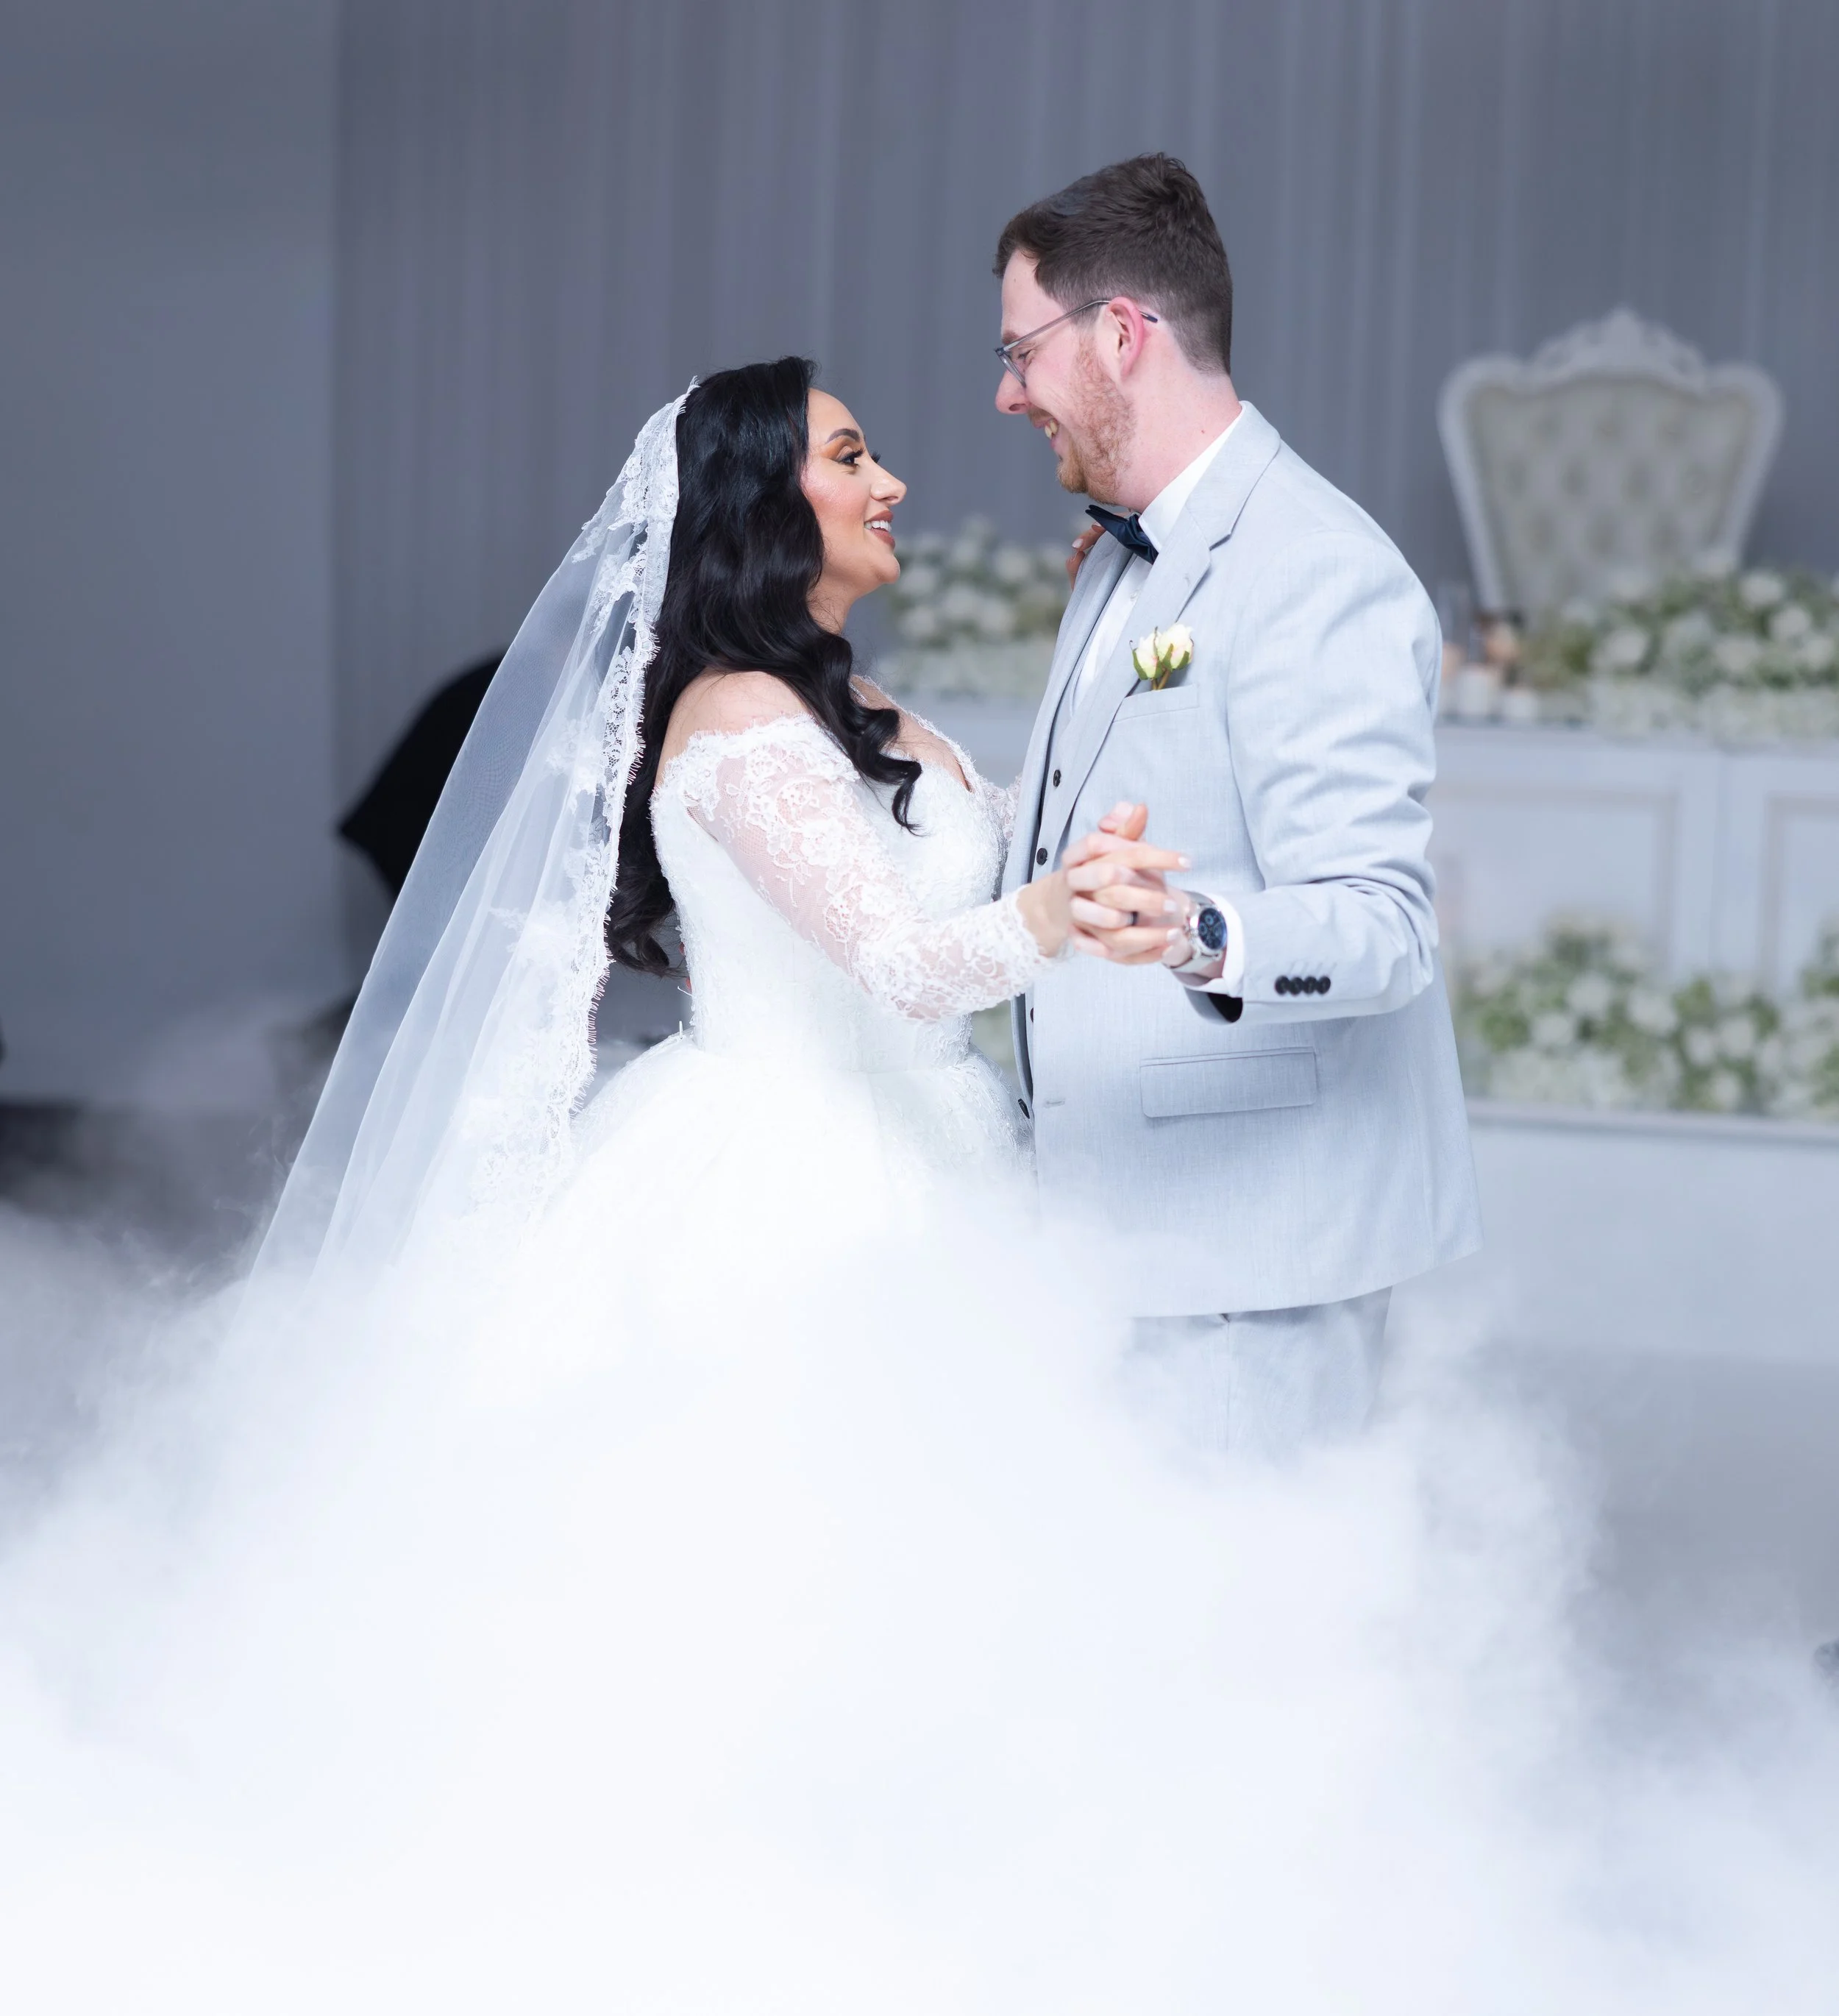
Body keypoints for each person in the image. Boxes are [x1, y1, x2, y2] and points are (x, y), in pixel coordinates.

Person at [994, 155, 1482, 1458]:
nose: (1006, 392)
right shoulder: (1119, 555)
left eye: (1021, 351)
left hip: (1244, 1277)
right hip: (1118, 1239)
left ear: (1121, 334)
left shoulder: (1316, 568)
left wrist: (1203, 933)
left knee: (1247, 1654)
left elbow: (1382, 926)